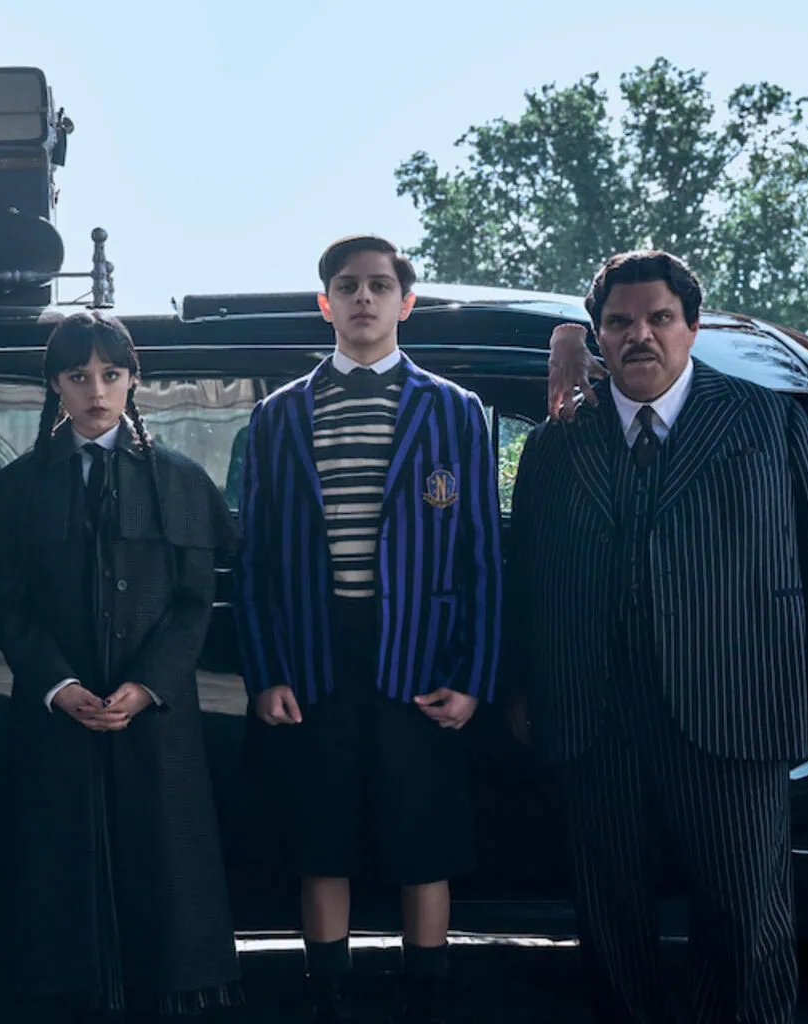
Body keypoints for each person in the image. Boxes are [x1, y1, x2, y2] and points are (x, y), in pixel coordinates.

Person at [505, 250, 808, 1024]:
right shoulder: (556, 442)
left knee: (746, 908)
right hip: (593, 707)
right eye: (620, 322)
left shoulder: (766, 418)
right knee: (610, 911)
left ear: (691, 327)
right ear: (599, 337)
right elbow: (528, 569)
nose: (641, 335)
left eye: (659, 318)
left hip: (734, 694)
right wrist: (525, 683)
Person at [234, 235, 503, 1024]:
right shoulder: (280, 414)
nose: (363, 298)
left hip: (421, 657)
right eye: (347, 286)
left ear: (405, 303)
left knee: (425, 838)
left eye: (380, 285)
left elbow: (484, 555)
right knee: (322, 838)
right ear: (325, 303)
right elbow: (256, 561)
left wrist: (474, 678)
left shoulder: (453, 410)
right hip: (316, 656)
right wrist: (266, 673)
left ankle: (427, 992)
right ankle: (328, 992)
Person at [0, 312, 243, 1021]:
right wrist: (57, 686)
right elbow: (10, 608)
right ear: (55, 385)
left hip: (155, 715)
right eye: (79, 376)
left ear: (132, 380)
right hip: (56, 716)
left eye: (111, 374)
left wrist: (148, 684)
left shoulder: (181, 482)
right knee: (54, 863)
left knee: (164, 856)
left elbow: (195, 605)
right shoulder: (19, 488)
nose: (97, 391)